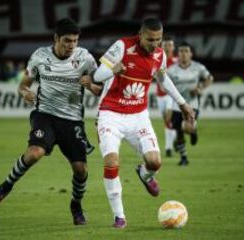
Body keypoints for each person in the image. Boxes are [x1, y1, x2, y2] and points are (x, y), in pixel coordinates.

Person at [0, 18, 102, 226]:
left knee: (80, 170)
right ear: (56, 38)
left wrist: (92, 86)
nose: (71, 46)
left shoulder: (86, 58)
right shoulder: (40, 56)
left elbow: (103, 90)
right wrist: (25, 93)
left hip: (72, 120)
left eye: (75, 41)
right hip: (45, 115)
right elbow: (23, 85)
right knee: (34, 153)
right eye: (67, 41)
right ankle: (5, 187)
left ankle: (76, 204)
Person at [83, 18, 195, 228]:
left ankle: (144, 173)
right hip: (110, 113)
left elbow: (162, 79)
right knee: (111, 162)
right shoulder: (122, 46)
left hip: (138, 116)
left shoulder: (159, 54)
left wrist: (182, 103)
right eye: (150, 39)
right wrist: (113, 70)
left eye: (159, 39)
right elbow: (97, 75)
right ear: (140, 34)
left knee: (155, 162)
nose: (155, 44)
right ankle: (119, 216)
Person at [166, 41, 213, 166]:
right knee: (179, 132)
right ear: (178, 54)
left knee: (187, 128)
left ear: (191, 54)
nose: (183, 54)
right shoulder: (171, 70)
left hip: (192, 104)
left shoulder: (198, 67)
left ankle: (193, 131)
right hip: (177, 105)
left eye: (186, 51)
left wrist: (201, 87)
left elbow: (210, 78)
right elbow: (164, 84)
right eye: (181, 51)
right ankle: (184, 158)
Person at [155, 36, 178, 157]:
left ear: (173, 47)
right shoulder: (158, 59)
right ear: (162, 47)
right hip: (160, 96)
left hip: (171, 96)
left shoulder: (177, 62)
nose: (168, 47)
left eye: (170, 45)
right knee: (167, 122)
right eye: (165, 45)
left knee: (169, 119)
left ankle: (168, 148)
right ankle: (174, 138)